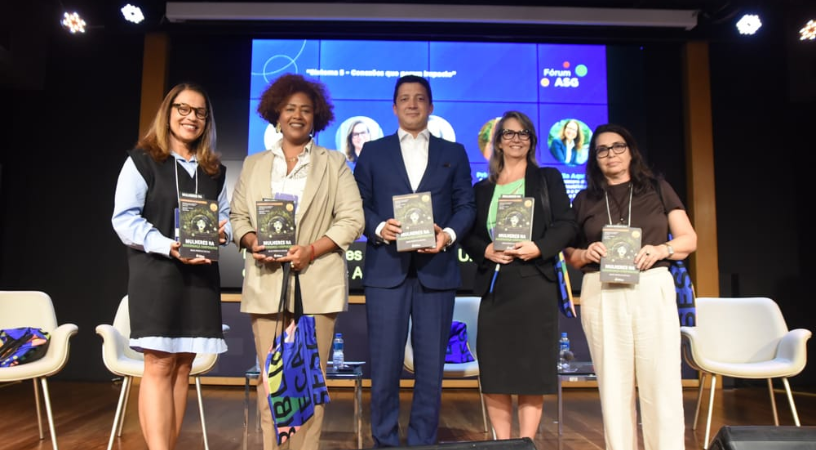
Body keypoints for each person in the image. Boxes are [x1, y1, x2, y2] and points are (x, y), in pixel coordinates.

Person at [229, 73, 364, 450]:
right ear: (276, 113)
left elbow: (353, 219)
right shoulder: (254, 164)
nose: (297, 115)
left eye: (306, 109)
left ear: (316, 116)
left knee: (309, 383)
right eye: (290, 108)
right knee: (270, 382)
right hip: (266, 284)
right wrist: (251, 240)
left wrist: (312, 250)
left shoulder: (334, 163)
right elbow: (238, 217)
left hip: (316, 285)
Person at [353, 74, 476, 447]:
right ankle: (385, 441)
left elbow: (466, 205)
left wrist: (447, 235)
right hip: (385, 271)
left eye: (420, 98)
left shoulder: (453, 152)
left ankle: (423, 442)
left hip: (436, 273)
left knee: (430, 370)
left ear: (431, 106)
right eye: (405, 98)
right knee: (384, 366)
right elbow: (358, 203)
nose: (412, 104)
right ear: (394, 107)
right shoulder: (373, 151)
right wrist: (379, 227)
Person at [111, 82, 231, 450]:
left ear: (206, 121)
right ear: (168, 112)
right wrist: (167, 246)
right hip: (156, 275)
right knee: (160, 364)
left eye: (199, 112)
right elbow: (124, 219)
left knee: (183, 367)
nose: (191, 117)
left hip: (200, 279)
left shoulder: (214, 170)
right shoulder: (142, 161)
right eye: (183, 109)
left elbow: (224, 216)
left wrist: (223, 232)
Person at [563, 123, 697, 450]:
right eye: (602, 150)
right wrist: (584, 253)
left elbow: (688, 240)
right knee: (613, 384)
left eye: (617, 146)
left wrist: (662, 249)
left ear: (631, 151)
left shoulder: (657, 188)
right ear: (594, 158)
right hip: (602, 288)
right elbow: (569, 253)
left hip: (651, 285)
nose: (611, 154)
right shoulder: (584, 198)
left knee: (661, 380)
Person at [460, 110, 577, 441]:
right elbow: (469, 235)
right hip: (496, 287)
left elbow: (567, 225)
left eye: (523, 133)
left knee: (530, 371)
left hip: (534, 284)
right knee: (496, 372)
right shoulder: (482, 189)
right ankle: (504, 443)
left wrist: (538, 247)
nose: (516, 139)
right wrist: (485, 250)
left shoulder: (547, 179)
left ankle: (525, 443)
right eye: (508, 133)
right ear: (498, 141)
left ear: (532, 141)